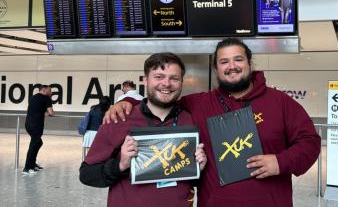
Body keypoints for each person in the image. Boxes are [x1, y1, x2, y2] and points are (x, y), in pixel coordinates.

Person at [106, 38, 321, 207]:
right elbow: (162, 99)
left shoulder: (279, 102)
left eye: (238, 59)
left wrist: (281, 162)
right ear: (216, 69)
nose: (232, 66)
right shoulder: (198, 104)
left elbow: (310, 141)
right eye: (224, 62)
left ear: (249, 63)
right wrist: (126, 102)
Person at [79, 52, 207, 207]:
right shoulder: (119, 118)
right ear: (145, 80)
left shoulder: (190, 119)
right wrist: (120, 165)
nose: (166, 83)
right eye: (159, 77)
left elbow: (190, 179)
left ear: (181, 82)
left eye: (174, 78)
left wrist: (198, 168)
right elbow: (86, 174)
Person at [23, 85, 54, 175]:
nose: (51, 92)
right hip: (36, 125)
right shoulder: (46, 98)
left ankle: (32, 164)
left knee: (38, 143)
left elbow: (38, 109)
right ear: (44, 90)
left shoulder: (33, 97)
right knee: (33, 145)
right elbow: (51, 112)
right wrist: (48, 113)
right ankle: (27, 168)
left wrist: (45, 112)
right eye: (50, 90)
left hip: (28, 124)